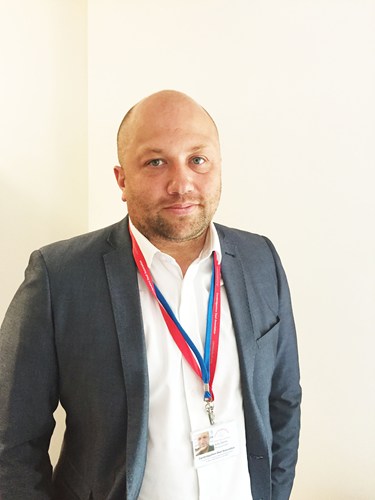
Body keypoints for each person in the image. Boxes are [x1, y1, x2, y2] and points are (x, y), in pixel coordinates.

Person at [0, 90, 301, 500]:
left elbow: (282, 402)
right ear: (122, 178)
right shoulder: (59, 277)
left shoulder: (260, 259)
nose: (181, 183)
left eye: (198, 159)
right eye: (156, 162)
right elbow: (11, 442)